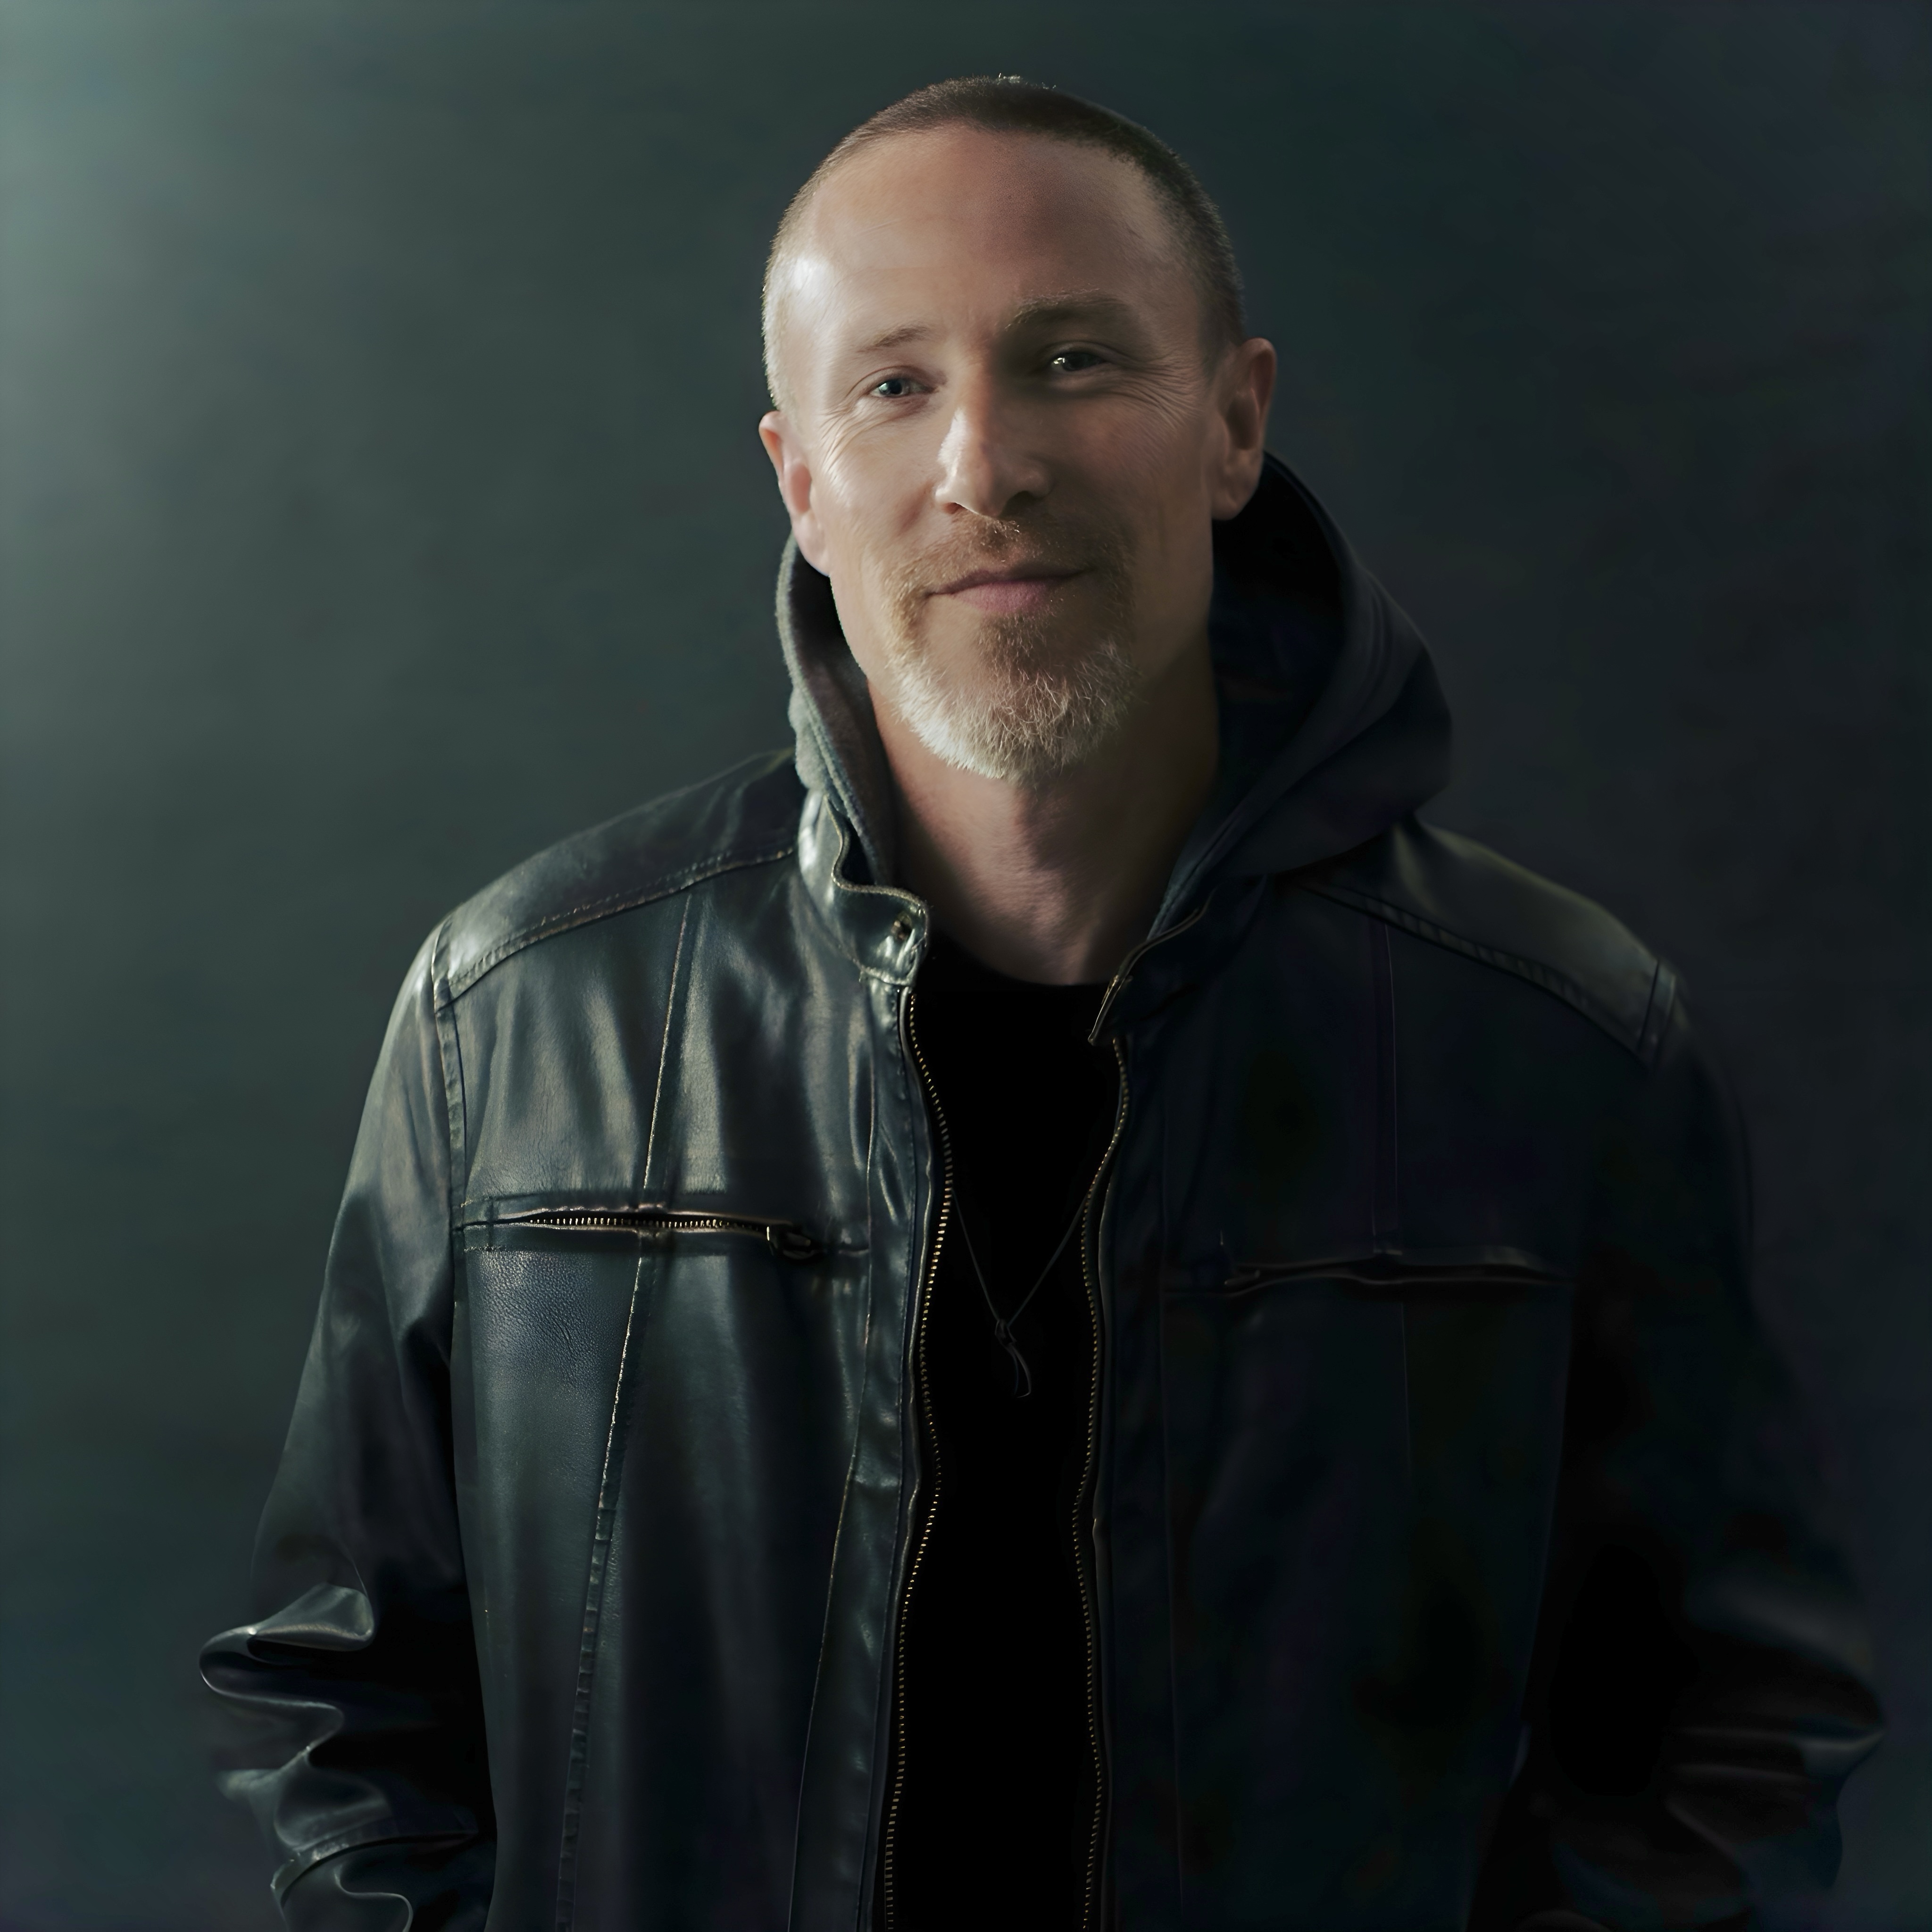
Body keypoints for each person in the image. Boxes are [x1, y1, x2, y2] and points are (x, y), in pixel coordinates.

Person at [203, 77, 1880, 1932]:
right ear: (801, 481)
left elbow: (1725, 1732)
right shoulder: (511, 1021)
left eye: (1072, 360)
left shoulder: (1562, 1044)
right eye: (892, 384)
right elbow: (343, 1699)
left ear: (1234, 423)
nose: (984, 466)